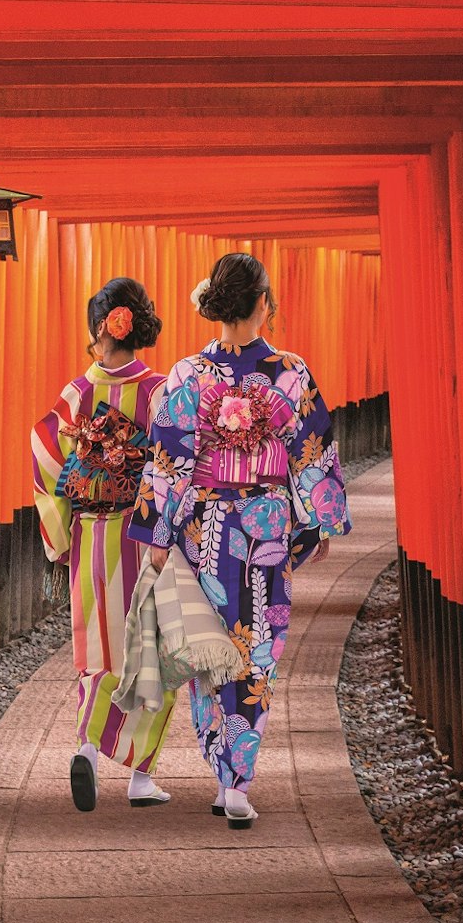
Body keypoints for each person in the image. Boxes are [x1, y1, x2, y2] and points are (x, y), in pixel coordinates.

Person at [127, 252, 351, 828]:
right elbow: (313, 449)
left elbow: (168, 460)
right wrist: (321, 518)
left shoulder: (186, 376)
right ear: (262, 305)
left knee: (214, 648)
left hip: (206, 525)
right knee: (256, 651)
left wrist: (160, 532)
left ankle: (222, 769)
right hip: (267, 525)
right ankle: (236, 780)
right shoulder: (290, 372)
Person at [30, 278, 180, 812]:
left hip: (93, 534)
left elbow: (47, 453)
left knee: (98, 643)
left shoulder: (77, 393)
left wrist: (59, 533)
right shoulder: (160, 390)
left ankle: (89, 749)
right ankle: (141, 777)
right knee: (153, 649)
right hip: (146, 537)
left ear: (102, 328)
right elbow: (173, 465)